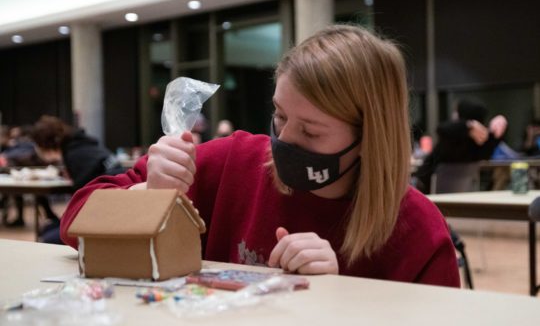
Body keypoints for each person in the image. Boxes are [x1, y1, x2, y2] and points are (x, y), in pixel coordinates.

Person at [60, 25, 459, 287]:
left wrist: (341, 298)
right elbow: (74, 221)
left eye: (310, 130)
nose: (283, 139)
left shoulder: (416, 231)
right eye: (279, 115)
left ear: (369, 138)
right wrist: (148, 196)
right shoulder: (230, 160)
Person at [31, 115, 124, 243]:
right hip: (114, 203)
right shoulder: (82, 144)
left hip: (106, 212)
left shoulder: (75, 154)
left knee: (49, 236)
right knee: (50, 229)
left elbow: (82, 202)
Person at [413, 98, 507, 194]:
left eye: (456, 112)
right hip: (461, 196)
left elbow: (442, 128)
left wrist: (468, 126)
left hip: (428, 192)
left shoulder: (451, 140)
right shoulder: (482, 147)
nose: (454, 115)